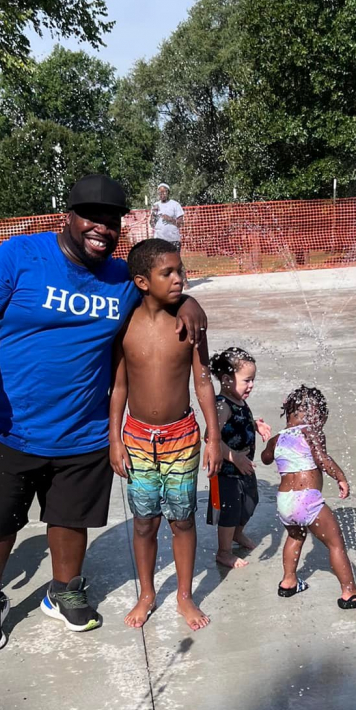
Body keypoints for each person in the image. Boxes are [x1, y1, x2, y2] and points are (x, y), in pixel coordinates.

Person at [0, 174, 207, 652]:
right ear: (66, 217)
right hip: (6, 425)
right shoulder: (21, 255)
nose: (101, 228)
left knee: (69, 521)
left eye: (111, 221)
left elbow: (162, 290)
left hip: (83, 431)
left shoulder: (118, 276)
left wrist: (191, 300)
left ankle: (63, 593)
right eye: (91, 216)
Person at [109, 238, 222, 631]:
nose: (179, 280)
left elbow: (203, 381)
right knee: (144, 522)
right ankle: (146, 593)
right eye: (168, 273)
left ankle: (185, 596)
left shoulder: (188, 323)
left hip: (183, 438)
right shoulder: (124, 325)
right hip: (138, 440)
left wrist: (213, 436)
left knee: (183, 520)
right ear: (142, 281)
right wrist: (114, 438)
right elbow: (119, 387)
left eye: (181, 271)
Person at [261, 384, 356, 608]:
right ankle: (351, 594)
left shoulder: (278, 438)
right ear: (313, 413)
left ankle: (289, 581)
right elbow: (322, 459)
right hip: (307, 499)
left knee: (296, 536)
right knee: (336, 544)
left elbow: (266, 458)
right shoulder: (311, 431)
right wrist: (340, 477)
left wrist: (268, 442)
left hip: (285, 502)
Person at [207, 347, 271, 569]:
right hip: (226, 471)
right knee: (230, 511)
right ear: (226, 380)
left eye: (253, 380)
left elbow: (239, 424)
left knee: (250, 503)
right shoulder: (222, 406)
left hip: (243, 468)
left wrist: (256, 425)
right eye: (247, 380)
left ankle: (238, 534)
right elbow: (210, 438)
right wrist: (234, 458)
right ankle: (224, 552)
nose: (251, 385)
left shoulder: (239, 401)